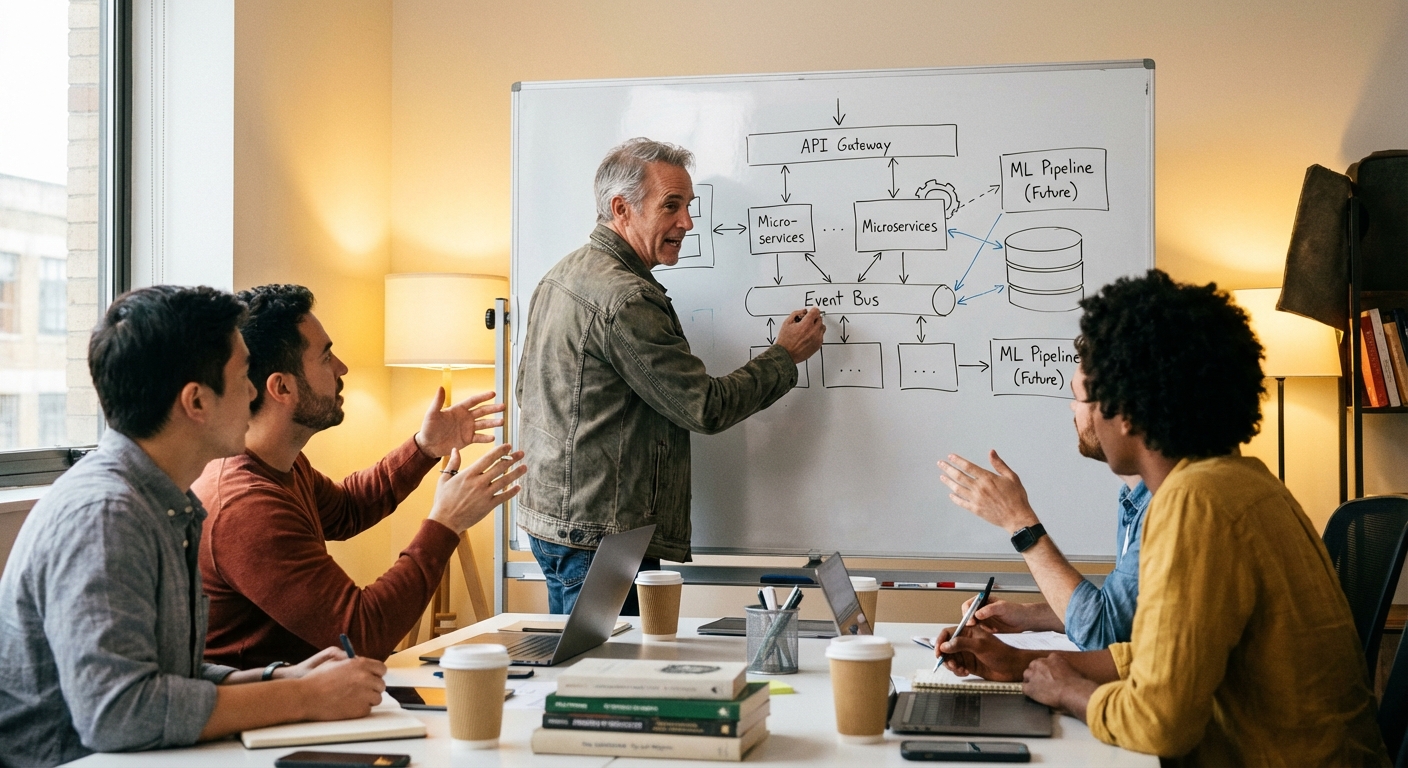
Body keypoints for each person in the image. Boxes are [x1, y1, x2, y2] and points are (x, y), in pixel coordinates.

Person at [933, 271, 1387, 766]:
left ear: (1125, 410)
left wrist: (1070, 694)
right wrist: (1023, 663)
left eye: (1086, 397)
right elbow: (1156, 653)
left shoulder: (1197, 502)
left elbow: (1160, 721)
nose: (1079, 415)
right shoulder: (1239, 480)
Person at [0, 286, 388, 768]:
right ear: (196, 401)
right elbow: (119, 713)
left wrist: (279, 680)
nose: (253, 392)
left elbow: (164, 675)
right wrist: (304, 698)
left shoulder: (164, 499)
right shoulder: (105, 517)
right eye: (244, 374)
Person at [516, 138, 826, 614]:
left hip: (558, 524)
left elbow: (525, 391)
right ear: (622, 209)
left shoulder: (561, 275)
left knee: (582, 673)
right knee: (608, 680)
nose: (687, 222)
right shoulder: (626, 299)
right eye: (672, 206)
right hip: (602, 538)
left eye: (688, 206)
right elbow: (704, 407)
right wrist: (784, 357)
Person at [195, 284, 525, 667]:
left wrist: (423, 447)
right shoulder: (245, 507)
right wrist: (446, 522)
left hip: (321, 695)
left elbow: (346, 509)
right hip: (276, 720)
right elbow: (363, 633)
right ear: (281, 387)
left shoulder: (279, 464)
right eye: (325, 357)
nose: (342, 369)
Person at [937, 451, 1148, 650]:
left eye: (1083, 408)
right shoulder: (1134, 501)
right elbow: (1120, 617)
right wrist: (1029, 616)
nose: (1074, 412)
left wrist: (1018, 520)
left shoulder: (1159, 511)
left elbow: (1106, 635)